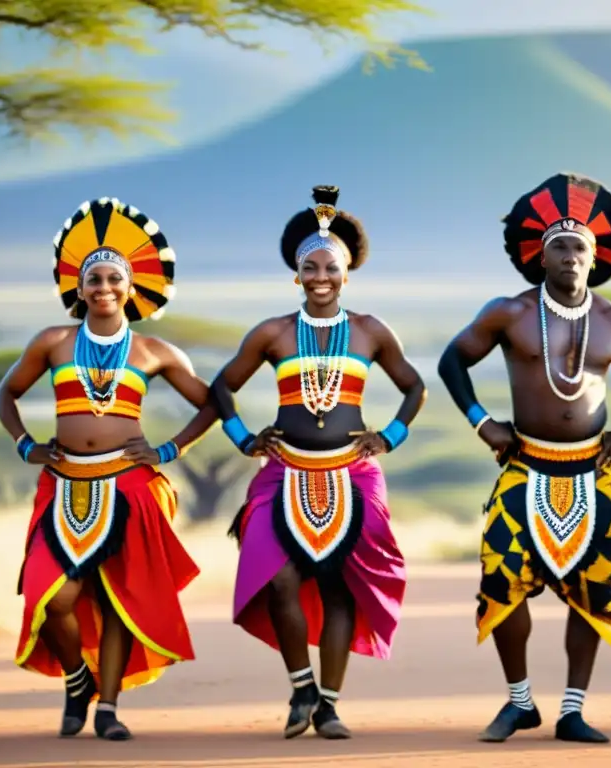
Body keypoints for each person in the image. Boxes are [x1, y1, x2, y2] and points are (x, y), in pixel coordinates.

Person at [436, 172, 611, 744]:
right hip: (525, 466)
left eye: (581, 248)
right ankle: (519, 702)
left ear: (597, 259)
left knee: (593, 591)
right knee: (501, 580)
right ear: (541, 258)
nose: (571, 256)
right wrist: (482, 422)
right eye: (560, 247)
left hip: (595, 470)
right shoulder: (509, 313)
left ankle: (572, 710)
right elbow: (451, 361)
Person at [0, 197, 220, 741]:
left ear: (131, 285)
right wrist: (27, 445)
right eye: (93, 278)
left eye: (114, 277)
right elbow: (7, 394)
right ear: (77, 285)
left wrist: (171, 451)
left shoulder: (153, 351)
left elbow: (213, 403)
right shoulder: (52, 343)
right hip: (64, 484)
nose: (103, 288)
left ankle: (108, 708)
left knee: (121, 599)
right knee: (56, 598)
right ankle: (77, 680)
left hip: (130, 486)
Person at [210, 185, 426, 740]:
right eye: (311, 266)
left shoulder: (372, 331)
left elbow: (414, 386)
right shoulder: (273, 332)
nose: (321, 275)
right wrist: (242, 438)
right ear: (296, 273)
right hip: (283, 471)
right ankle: (300, 687)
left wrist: (390, 436)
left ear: (348, 273)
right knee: (277, 580)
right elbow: (222, 387)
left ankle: (328, 704)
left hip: (354, 473)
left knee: (340, 588)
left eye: (332, 266)